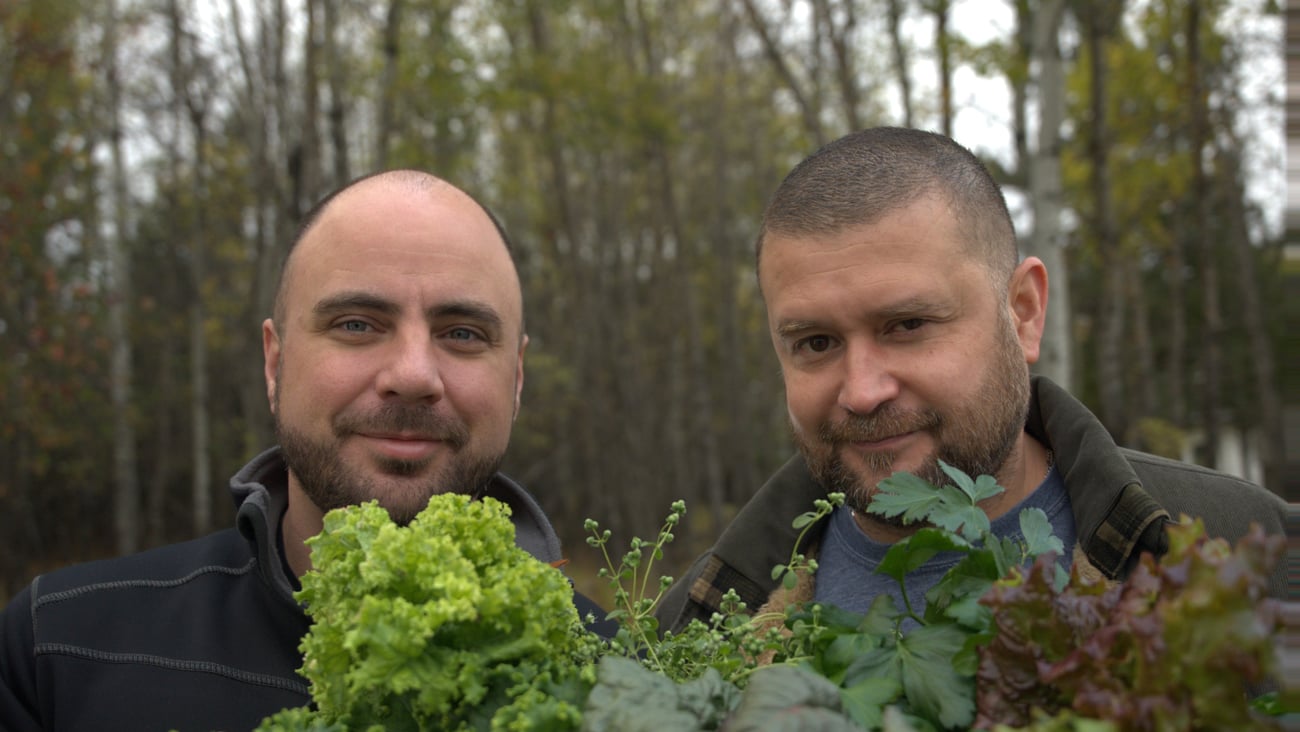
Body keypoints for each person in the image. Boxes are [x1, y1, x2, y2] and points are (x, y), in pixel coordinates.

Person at [0, 170, 613, 731]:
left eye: (462, 333)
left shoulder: (623, 682)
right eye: (356, 323)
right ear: (275, 362)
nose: (413, 373)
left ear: (518, 378)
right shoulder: (57, 649)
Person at [656, 126, 1288, 633]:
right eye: (815, 343)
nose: (863, 390)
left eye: (907, 324)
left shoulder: (1250, 554)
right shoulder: (695, 632)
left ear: (1024, 313)